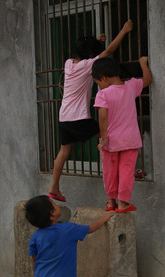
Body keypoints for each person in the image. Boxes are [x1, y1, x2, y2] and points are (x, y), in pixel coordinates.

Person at [48, 20, 134, 202]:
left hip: (64, 117)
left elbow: (87, 52)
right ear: (89, 55)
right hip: (79, 118)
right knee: (109, 136)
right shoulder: (88, 66)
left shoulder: (69, 63)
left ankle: (54, 187)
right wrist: (124, 31)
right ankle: (115, 191)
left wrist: (96, 42)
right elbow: (109, 52)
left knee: (63, 152)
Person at [92, 56, 152, 213]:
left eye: (98, 82)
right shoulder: (131, 86)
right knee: (126, 172)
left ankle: (111, 201)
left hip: (110, 141)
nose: (99, 86)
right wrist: (143, 64)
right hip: (130, 140)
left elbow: (103, 116)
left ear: (103, 78)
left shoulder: (103, 94)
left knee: (110, 171)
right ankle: (123, 203)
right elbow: (147, 79)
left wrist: (103, 137)